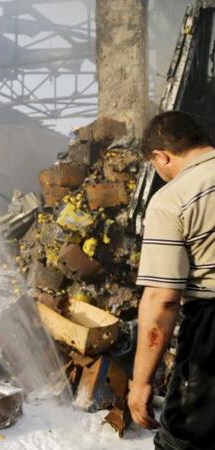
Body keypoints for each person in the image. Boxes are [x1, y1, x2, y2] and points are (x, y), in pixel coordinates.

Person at [128, 111, 215, 449]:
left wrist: (141, 382)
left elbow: (162, 299)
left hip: (210, 332)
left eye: (155, 166)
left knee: (184, 441)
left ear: (161, 156)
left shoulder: (173, 199)